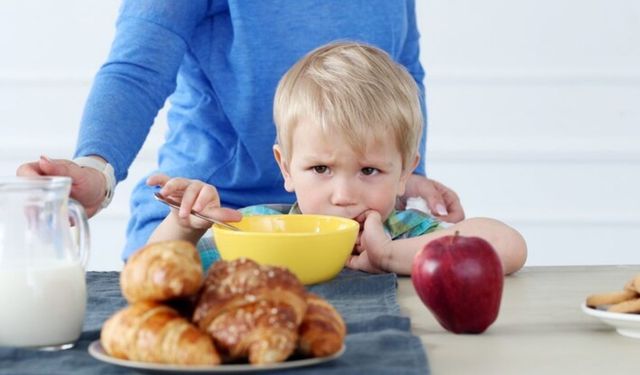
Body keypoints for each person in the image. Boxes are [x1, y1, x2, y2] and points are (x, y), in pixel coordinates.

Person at [16, 0, 465, 261]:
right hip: (211, 219)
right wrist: (97, 167)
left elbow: (403, 69)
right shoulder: (203, 229)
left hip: (360, 241)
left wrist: (400, 171)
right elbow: (137, 70)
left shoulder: (396, 228)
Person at [147, 42, 527, 275]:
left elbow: (507, 245)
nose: (343, 195)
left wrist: (391, 256)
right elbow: (151, 270)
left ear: (404, 174)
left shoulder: (407, 233)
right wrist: (186, 226)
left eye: (369, 170)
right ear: (286, 167)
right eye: (321, 169)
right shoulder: (262, 231)